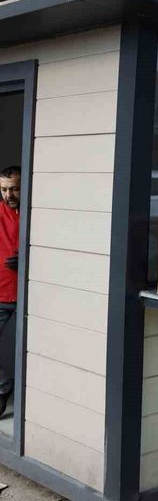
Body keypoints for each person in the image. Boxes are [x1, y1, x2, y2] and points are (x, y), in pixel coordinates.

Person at [0, 166, 20, 417]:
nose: (9, 194)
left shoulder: (36, 212)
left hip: (30, 297)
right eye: (4, 189)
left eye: (14, 188)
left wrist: (27, 257)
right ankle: (4, 388)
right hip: (1, 294)